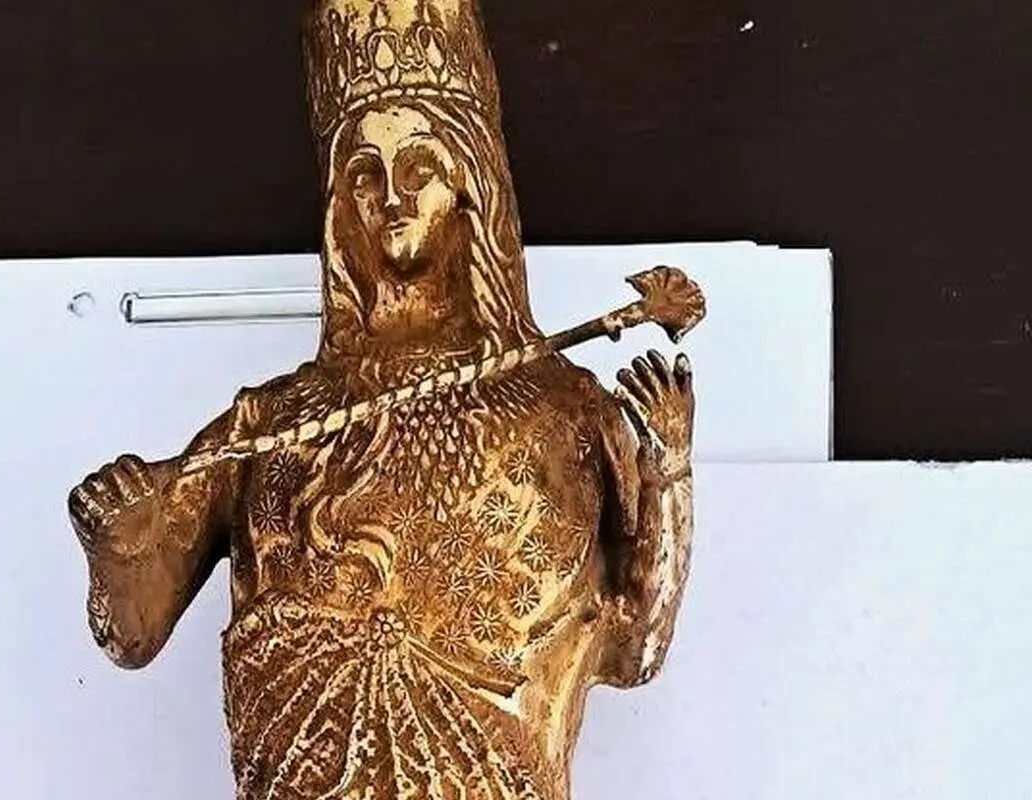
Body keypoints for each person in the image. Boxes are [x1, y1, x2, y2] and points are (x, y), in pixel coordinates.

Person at [68, 1, 698, 797]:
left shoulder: (565, 412)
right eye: (365, 174)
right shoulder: (275, 422)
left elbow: (634, 649)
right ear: (339, 202)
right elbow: (132, 634)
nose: (391, 197)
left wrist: (668, 471)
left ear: (470, 186)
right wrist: (121, 544)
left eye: (420, 168)